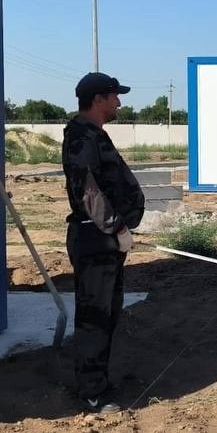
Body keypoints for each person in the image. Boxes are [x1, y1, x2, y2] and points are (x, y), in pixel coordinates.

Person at [62, 72, 146, 414]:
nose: (119, 102)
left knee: (107, 314)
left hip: (105, 240)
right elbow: (88, 191)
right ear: (98, 99)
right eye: (114, 96)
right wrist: (115, 228)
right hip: (95, 238)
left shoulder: (94, 134)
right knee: (94, 317)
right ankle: (92, 392)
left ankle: (99, 382)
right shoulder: (81, 137)